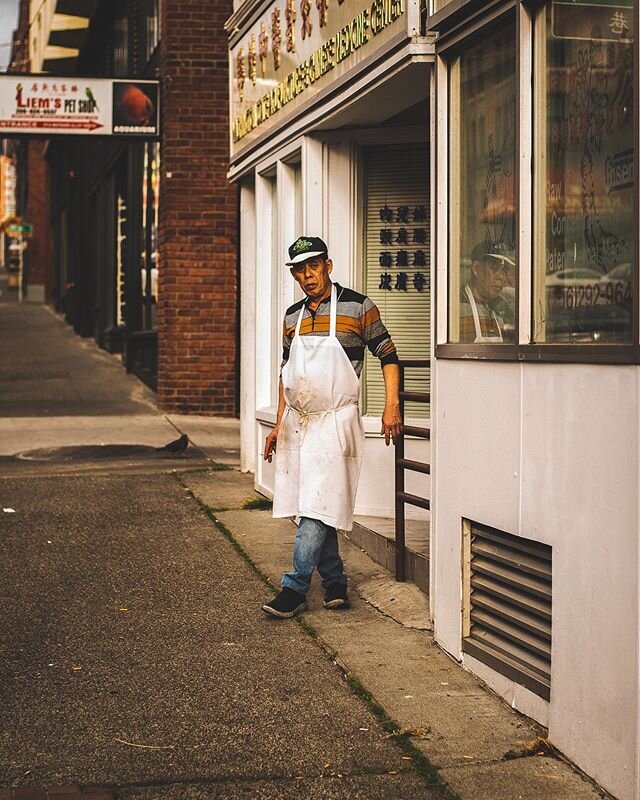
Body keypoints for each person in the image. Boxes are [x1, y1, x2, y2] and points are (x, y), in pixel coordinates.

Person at [262, 235, 402, 618]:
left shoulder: (358, 306)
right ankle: (336, 581)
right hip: (299, 423)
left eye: (313, 266)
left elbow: (388, 355)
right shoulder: (293, 317)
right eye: (299, 270)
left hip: (337, 421)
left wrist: (392, 406)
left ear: (328, 265)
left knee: (314, 506)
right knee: (312, 504)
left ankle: (293, 588)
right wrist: (276, 426)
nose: (307, 275)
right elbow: (286, 375)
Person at [459, 241, 515, 343]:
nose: (501, 277)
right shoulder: (457, 306)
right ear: (476, 269)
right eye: (494, 267)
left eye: (505, 270)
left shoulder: (503, 309)